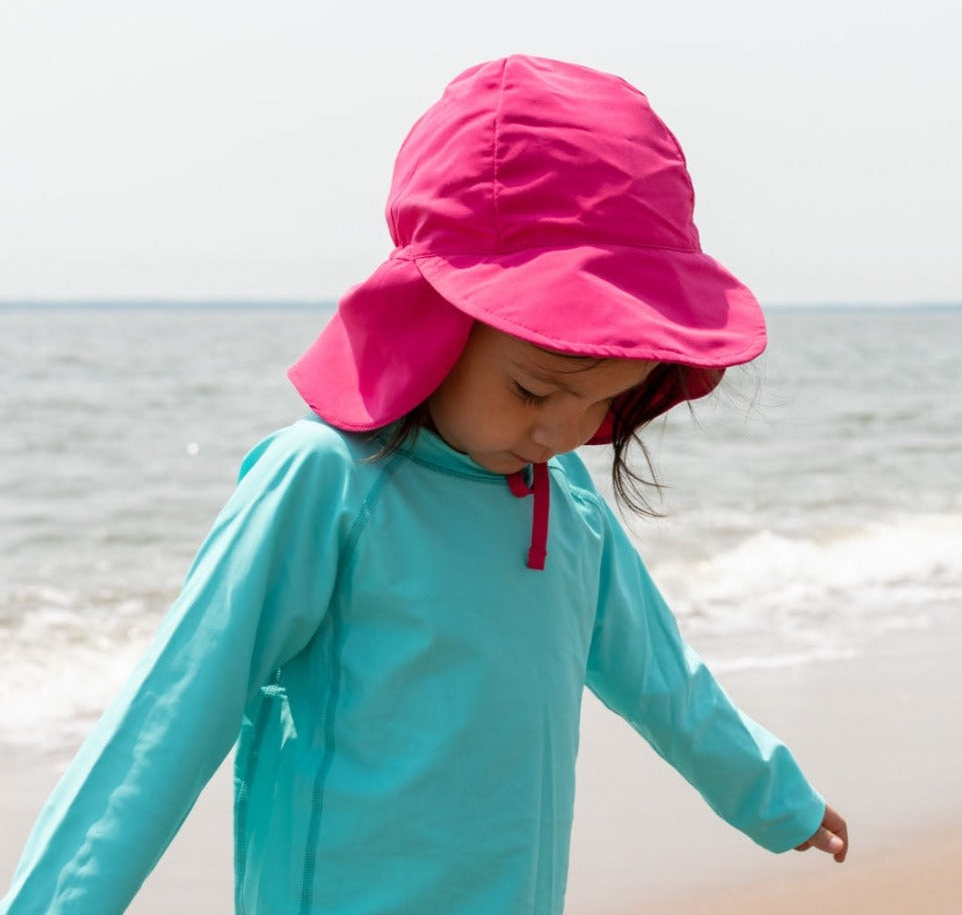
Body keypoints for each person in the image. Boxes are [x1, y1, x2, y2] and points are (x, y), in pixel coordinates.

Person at [1, 54, 848, 915]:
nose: (561, 434)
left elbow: (662, 678)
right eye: (534, 389)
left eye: (603, 401)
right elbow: (168, 718)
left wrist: (777, 798)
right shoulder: (328, 484)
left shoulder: (570, 507)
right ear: (437, 318)